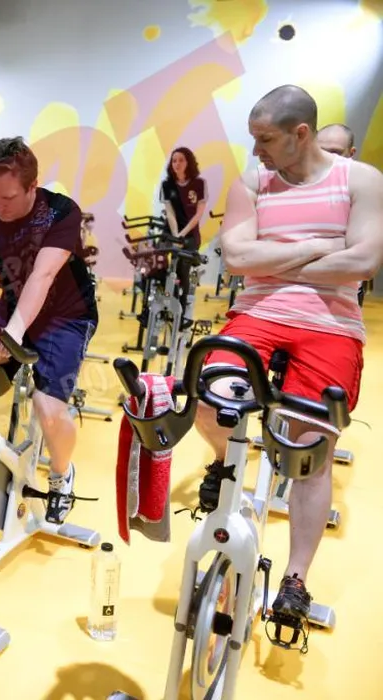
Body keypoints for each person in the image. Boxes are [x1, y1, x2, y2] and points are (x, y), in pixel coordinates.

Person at [195, 85, 383, 629]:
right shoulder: (253, 181)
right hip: (257, 312)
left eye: (265, 139)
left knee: (310, 447)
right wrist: (322, 247)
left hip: (330, 323)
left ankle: (296, 578)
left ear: (301, 134)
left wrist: (272, 259)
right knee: (208, 400)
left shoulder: (361, 181)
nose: (256, 151)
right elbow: (236, 257)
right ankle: (220, 459)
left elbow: (364, 261)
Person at [0, 136, 99, 525]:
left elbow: (42, 276)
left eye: (6, 198)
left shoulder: (59, 211)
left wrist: (12, 335)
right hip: (12, 306)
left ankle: (61, 475)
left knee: (48, 408)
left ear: (32, 186)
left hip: (66, 316)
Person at [316, 124, 370, 305]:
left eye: (335, 152)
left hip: (344, 289)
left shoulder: (363, 185)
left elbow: (364, 255)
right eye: (321, 150)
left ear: (351, 152)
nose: (327, 157)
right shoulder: (295, 182)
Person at [159, 147, 207, 313]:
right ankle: (157, 304)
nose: (177, 164)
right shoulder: (167, 185)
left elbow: (198, 215)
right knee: (157, 265)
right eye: (174, 161)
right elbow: (170, 213)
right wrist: (175, 236)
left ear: (189, 163)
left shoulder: (199, 184)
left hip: (190, 234)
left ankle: (182, 309)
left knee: (182, 269)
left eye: (181, 160)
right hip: (170, 233)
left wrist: (182, 235)